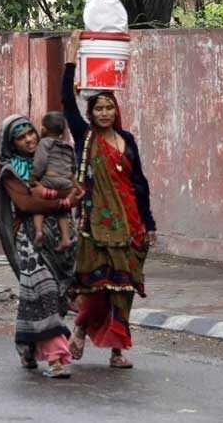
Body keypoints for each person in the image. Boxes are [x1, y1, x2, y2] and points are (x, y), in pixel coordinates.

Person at [63, 36, 156, 369]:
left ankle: (117, 350)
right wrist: (71, 57)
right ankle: (80, 329)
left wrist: (149, 223)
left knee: (124, 287)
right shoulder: (85, 137)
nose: (104, 113)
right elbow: (66, 100)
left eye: (109, 108)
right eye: (98, 109)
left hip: (130, 223)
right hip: (96, 225)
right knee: (97, 285)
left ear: (116, 110)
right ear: (90, 113)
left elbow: (139, 183)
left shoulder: (127, 139)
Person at [0, 115, 83, 379]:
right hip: (31, 242)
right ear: (11, 143)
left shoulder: (50, 158)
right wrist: (64, 202)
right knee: (44, 293)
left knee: (54, 298)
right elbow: (26, 203)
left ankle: (28, 347)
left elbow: (72, 186)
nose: (29, 140)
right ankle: (56, 359)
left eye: (31, 133)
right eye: (21, 137)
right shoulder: (10, 171)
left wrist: (68, 196)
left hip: (60, 240)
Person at [30, 111, 76, 251]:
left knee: (38, 204)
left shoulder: (44, 143)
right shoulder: (68, 146)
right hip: (66, 185)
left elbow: (40, 163)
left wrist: (34, 177)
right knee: (61, 210)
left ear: (44, 129)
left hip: (50, 180)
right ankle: (66, 238)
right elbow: (73, 166)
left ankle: (39, 231)